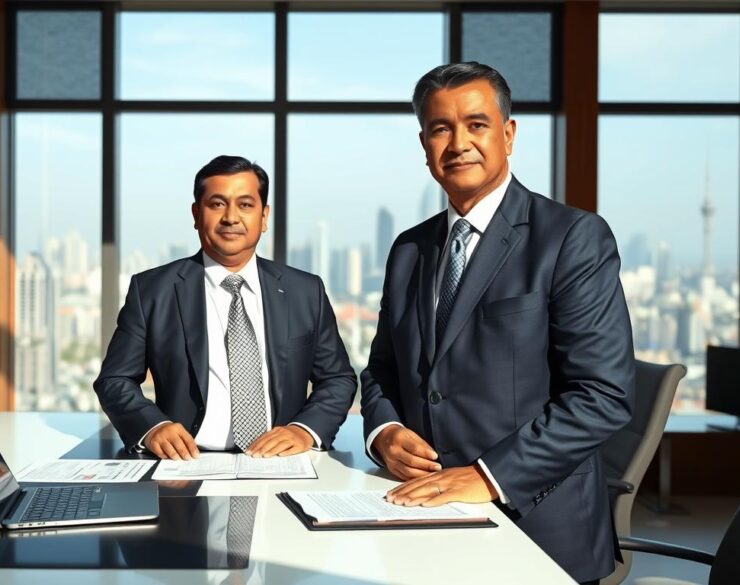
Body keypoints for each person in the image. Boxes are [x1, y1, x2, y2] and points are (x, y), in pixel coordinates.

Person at [360, 62, 635, 584]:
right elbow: (381, 370)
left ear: (508, 135)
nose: (458, 142)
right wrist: (385, 431)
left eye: (476, 124)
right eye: (441, 128)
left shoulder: (571, 238)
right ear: (424, 145)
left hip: (536, 524)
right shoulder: (409, 250)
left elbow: (603, 393)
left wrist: (490, 477)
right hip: (424, 516)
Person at [95, 155, 357, 460]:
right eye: (217, 204)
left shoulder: (305, 291)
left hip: (284, 463)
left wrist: (303, 430)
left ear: (264, 216)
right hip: (186, 465)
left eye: (245, 205)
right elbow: (115, 380)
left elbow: (337, 379)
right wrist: (153, 426)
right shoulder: (153, 291)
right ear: (196, 214)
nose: (231, 217)